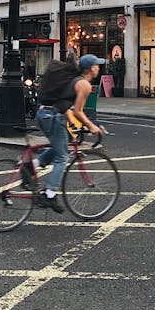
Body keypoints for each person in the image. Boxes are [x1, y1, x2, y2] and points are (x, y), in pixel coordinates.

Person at [34, 54, 104, 213]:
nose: (98, 68)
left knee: (60, 147)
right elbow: (78, 111)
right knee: (62, 157)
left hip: (44, 114)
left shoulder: (72, 80)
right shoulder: (84, 85)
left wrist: (72, 123)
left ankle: (31, 165)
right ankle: (50, 194)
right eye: (97, 65)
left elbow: (63, 103)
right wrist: (92, 126)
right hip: (52, 117)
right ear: (92, 68)